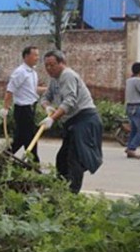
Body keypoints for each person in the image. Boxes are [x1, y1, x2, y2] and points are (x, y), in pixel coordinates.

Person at [40, 50, 103, 193]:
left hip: (85, 120)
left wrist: (52, 118)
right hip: (72, 122)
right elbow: (44, 98)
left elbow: (70, 101)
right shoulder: (54, 80)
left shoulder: (67, 75)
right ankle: (60, 189)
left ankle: (71, 194)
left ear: (62, 63)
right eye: (46, 66)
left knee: (75, 159)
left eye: (52, 65)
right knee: (62, 159)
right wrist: (48, 108)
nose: (49, 69)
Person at [0, 45, 47, 161]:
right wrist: (5, 108)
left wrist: (47, 89)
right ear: (26, 56)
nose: (37, 58)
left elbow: (32, 89)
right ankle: (34, 163)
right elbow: (10, 90)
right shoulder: (20, 72)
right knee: (30, 138)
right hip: (23, 110)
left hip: (30, 109)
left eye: (38, 55)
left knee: (21, 138)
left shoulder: (32, 72)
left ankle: (2, 158)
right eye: (34, 55)